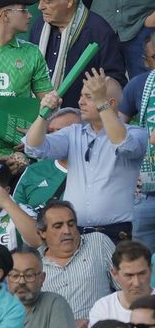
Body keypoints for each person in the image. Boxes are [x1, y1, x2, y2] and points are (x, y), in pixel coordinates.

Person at [24, 73, 145, 241]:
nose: (80, 101)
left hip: (116, 232)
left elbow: (123, 144)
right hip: (75, 231)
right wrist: (43, 115)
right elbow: (33, 147)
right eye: (81, 96)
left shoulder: (135, 133)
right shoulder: (73, 133)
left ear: (110, 103)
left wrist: (102, 105)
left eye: (89, 97)